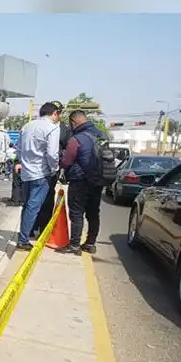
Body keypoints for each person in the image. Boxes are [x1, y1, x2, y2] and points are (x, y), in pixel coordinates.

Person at [56, 110, 107, 255]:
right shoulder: (102, 135)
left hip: (80, 181)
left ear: (74, 122)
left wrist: (61, 163)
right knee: (93, 213)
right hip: (97, 180)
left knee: (76, 213)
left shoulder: (77, 138)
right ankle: (90, 244)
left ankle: (74, 246)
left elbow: (67, 161)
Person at [14, 102, 62, 250]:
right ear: (54, 113)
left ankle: (24, 235)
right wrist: (54, 169)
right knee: (33, 207)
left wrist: (23, 163)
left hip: (27, 173)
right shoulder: (52, 128)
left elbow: (19, 148)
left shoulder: (27, 126)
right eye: (58, 114)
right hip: (41, 173)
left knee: (27, 206)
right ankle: (23, 240)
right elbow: (52, 154)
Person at [32, 101, 72, 239]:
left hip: (50, 169)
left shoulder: (63, 129)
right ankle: (32, 227)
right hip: (38, 167)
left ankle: (43, 229)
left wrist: (60, 169)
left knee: (47, 198)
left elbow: (68, 149)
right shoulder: (37, 125)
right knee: (33, 200)